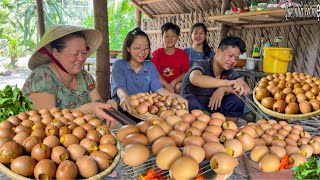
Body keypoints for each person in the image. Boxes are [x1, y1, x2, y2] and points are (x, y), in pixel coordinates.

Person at [22, 25, 118, 129]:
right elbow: (47, 125)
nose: (81, 58)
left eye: (84, 52)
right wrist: (85, 109)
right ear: (56, 53)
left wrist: (108, 106)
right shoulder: (42, 77)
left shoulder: (84, 76)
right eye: (75, 53)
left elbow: (97, 104)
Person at [111, 27, 188, 112]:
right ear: (128, 48)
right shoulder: (119, 65)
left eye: (146, 48)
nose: (142, 52)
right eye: (137, 48)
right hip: (123, 108)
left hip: (143, 111)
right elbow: (119, 87)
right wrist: (124, 96)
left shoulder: (150, 66)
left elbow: (158, 89)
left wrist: (176, 96)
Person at [180, 36, 251, 122]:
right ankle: (206, 124)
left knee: (238, 99)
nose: (233, 61)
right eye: (230, 55)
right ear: (218, 52)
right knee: (189, 100)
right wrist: (225, 83)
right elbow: (194, 78)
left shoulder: (228, 71)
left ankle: (225, 127)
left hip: (213, 107)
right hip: (196, 108)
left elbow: (246, 89)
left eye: (236, 58)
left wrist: (223, 89)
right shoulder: (201, 64)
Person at [151, 22, 190, 94]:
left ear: (178, 37)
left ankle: (180, 104)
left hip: (176, 84)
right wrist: (167, 85)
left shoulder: (182, 54)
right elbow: (155, 73)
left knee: (179, 87)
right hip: (162, 83)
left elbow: (185, 72)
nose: (170, 39)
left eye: (173, 36)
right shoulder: (157, 53)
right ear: (162, 36)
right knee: (157, 86)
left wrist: (173, 83)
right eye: (166, 36)